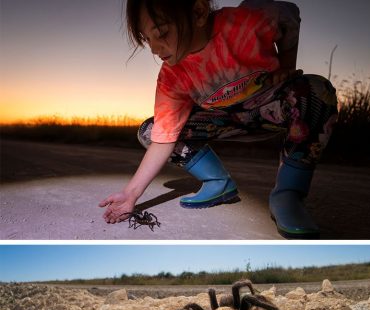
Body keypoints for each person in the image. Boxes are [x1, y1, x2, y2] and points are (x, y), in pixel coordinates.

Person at [99, 0, 338, 239]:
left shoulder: (249, 20)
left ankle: (288, 195)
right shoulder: (172, 75)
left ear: (198, 12)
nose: (153, 48)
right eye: (146, 38)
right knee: (151, 131)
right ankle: (217, 182)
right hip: (224, 122)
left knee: (317, 90)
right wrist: (131, 193)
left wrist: (285, 68)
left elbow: (289, 15)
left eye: (161, 33)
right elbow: (163, 138)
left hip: (272, 109)